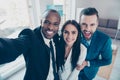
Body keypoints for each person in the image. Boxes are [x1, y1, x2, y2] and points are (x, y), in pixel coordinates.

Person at [0, 9, 61, 80]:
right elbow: (12, 47)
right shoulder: (31, 37)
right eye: (47, 22)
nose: (50, 27)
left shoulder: (56, 37)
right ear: (41, 22)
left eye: (55, 24)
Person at [78, 7, 112, 80]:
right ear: (79, 23)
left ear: (97, 24)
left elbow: (107, 61)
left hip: (89, 73)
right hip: (73, 70)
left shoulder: (105, 40)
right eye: (84, 24)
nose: (87, 29)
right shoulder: (74, 34)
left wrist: (87, 63)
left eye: (92, 24)